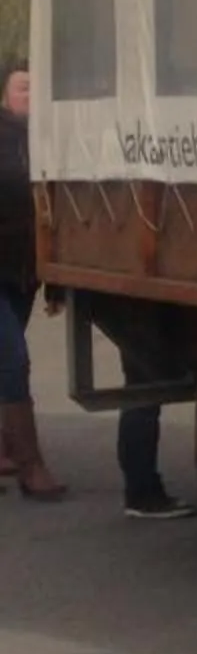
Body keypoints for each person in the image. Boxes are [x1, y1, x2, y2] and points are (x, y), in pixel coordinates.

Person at [0, 62, 71, 501]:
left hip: (22, 273)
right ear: (5, 95)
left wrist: (56, 282)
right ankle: (31, 466)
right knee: (14, 359)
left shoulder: (48, 139)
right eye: (23, 87)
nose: (30, 95)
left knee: (4, 359)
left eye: (35, 88)